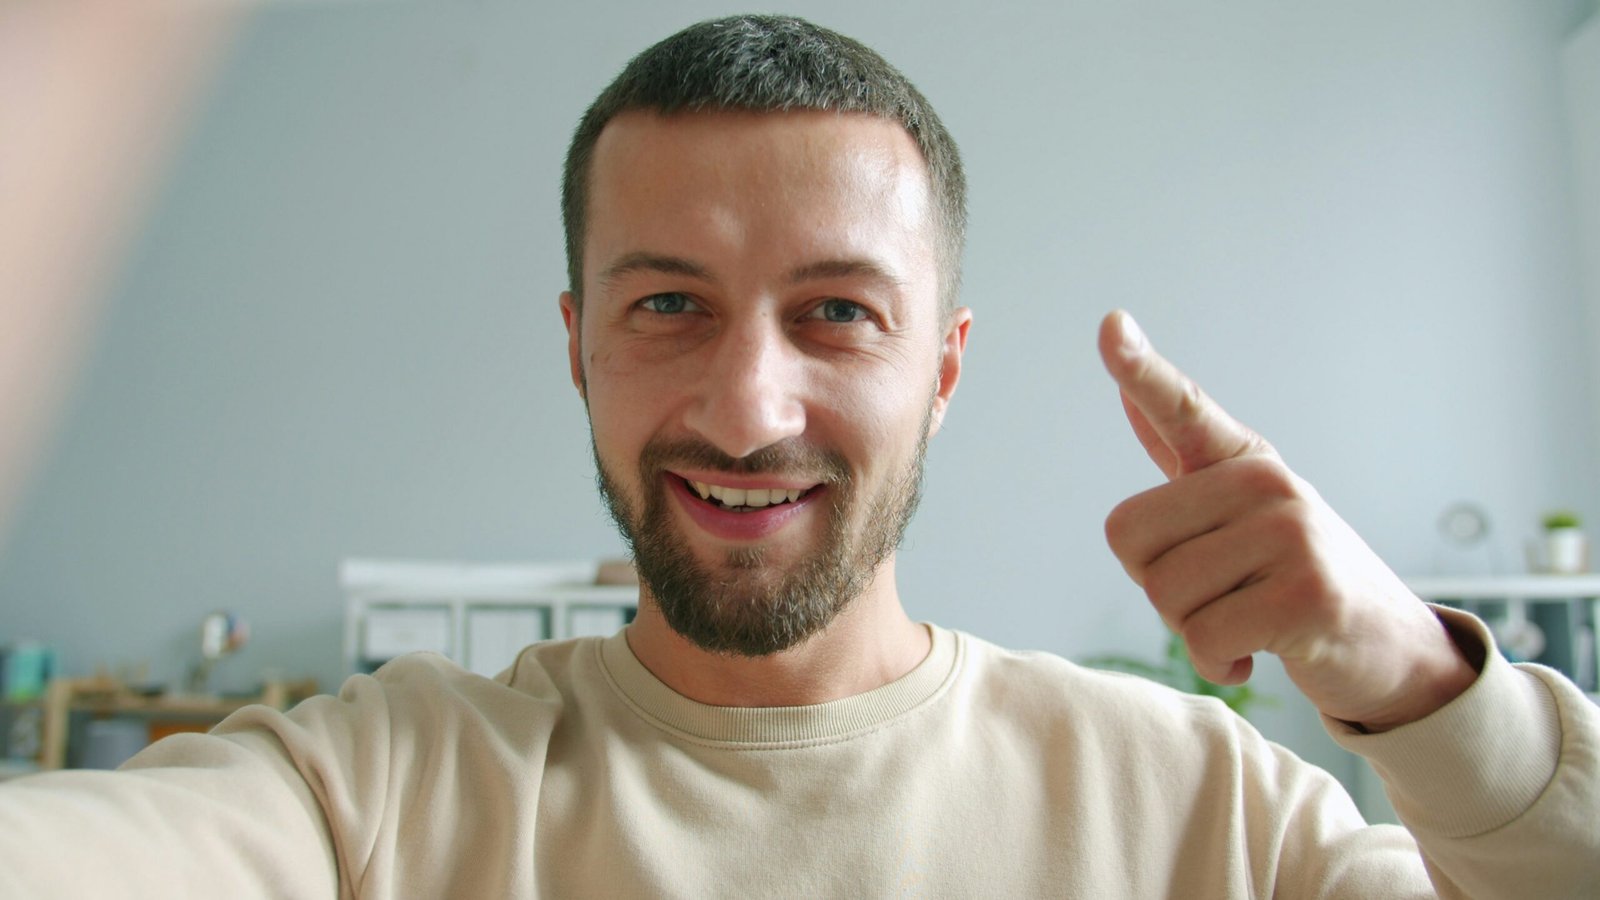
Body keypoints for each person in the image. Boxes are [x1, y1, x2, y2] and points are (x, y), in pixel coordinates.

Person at [2, 13, 1597, 898]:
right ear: (577, 343)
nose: (749, 409)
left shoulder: (1205, 817)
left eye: (836, 313)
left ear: (945, 368)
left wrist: (1425, 687)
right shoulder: (369, 796)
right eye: (668, 305)